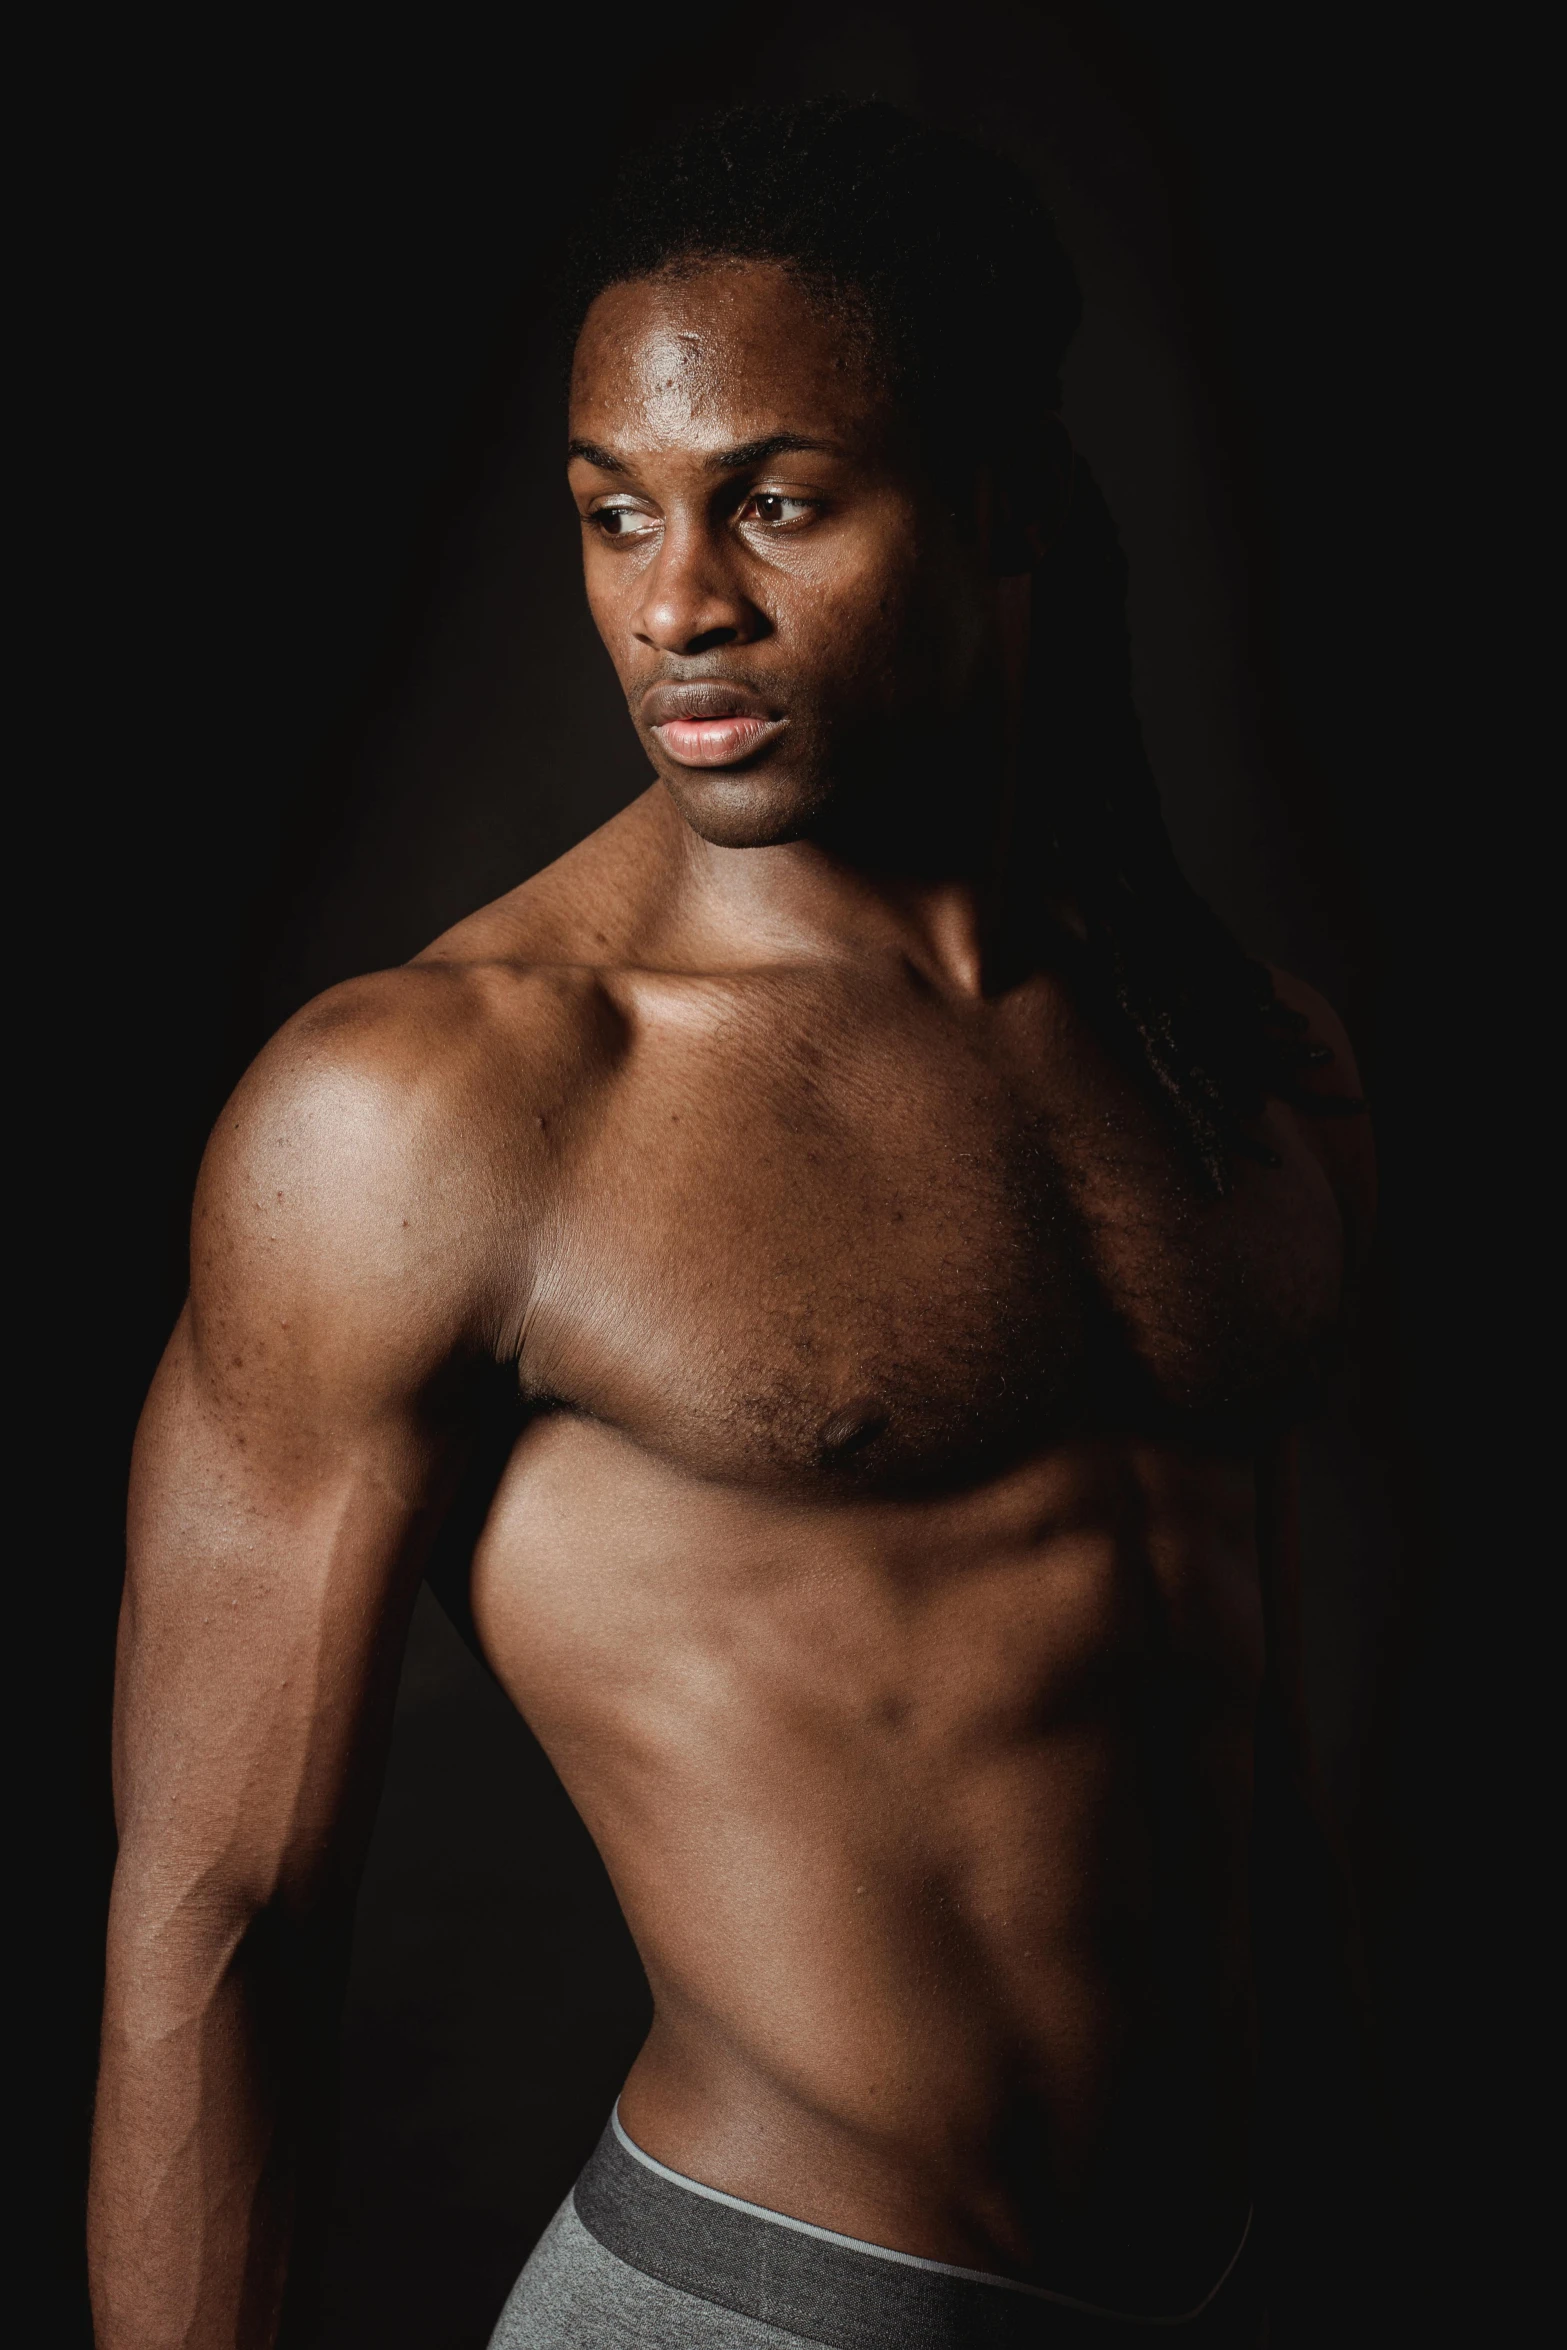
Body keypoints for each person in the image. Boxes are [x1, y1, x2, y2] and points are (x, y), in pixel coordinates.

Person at [88, 102, 1373, 2349]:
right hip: (772, 2306)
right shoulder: (434, 1104)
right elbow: (217, 1917)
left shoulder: (1233, 1046)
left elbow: (1235, 1753)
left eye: (774, 501)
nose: (676, 601)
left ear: (996, 505)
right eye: (614, 515)